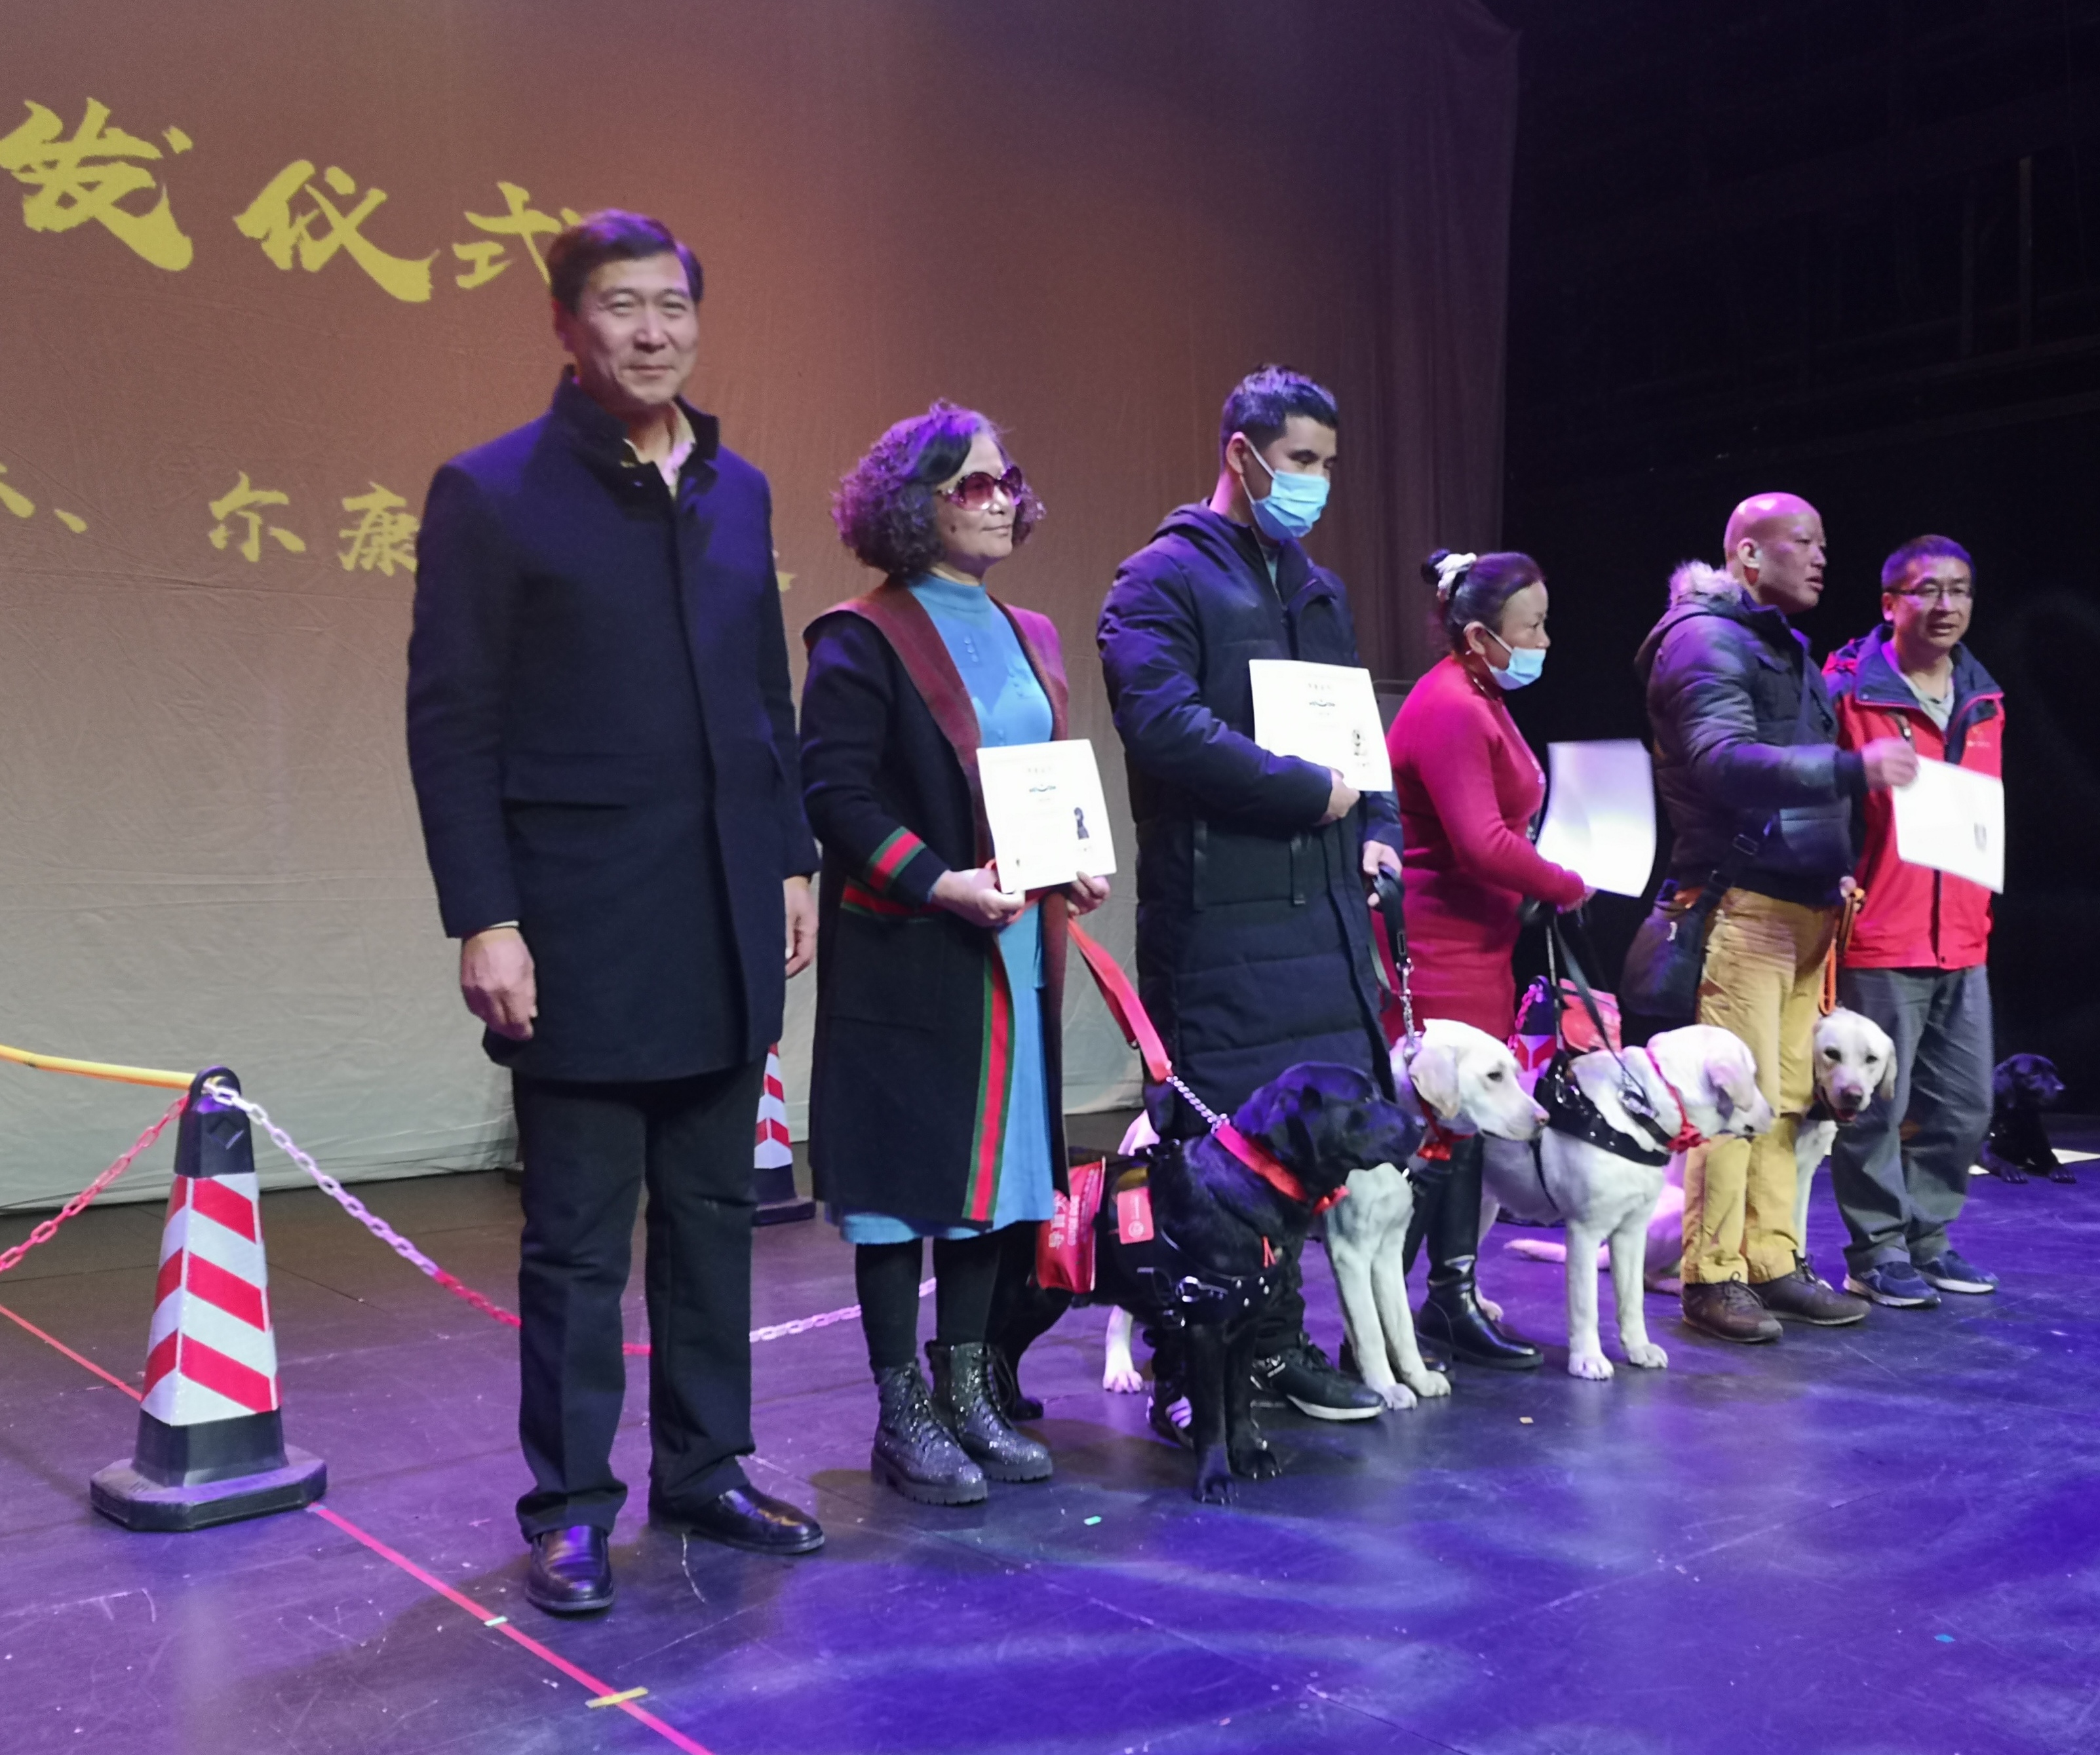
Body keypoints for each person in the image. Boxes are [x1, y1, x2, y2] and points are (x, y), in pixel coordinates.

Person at [406, 212, 823, 1616]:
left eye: (672, 306)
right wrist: (484, 915)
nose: (652, 332)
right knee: (580, 1241)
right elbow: (452, 726)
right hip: (578, 920)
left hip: (722, 907)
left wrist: (789, 858)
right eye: (620, 305)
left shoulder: (738, 491)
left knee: (714, 1215)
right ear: (565, 324)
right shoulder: (492, 491)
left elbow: (764, 696)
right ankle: (571, 1505)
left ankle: (704, 1465)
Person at [800, 402, 1110, 1505]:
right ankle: (903, 1412)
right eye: (973, 483)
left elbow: (1040, 779)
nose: (1000, 499)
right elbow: (835, 793)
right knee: (904, 1186)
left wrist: (1070, 862)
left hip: (1015, 945)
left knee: (1000, 1180)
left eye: (1005, 479)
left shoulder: (1033, 632)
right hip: (915, 944)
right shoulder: (860, 636)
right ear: (911, 505)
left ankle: (969, 1390)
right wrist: (939, 882)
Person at [1097, 364, 1393, 1424]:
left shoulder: (1319, 588)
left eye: (1328, 464)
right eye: (1300, 460)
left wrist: (1379, 829)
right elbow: (1164, 726)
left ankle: (1274, 1347)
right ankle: (1192, 1371)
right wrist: (1305, 791)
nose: (1317, 483)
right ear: (1242, 453)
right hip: (1219, 922)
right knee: (1212, 1156)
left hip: (1323, 917)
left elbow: (1358, 734)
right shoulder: (1158, 579)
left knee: (1300, 1163)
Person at [1634, 492, 1915, 1344]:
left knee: (1787, 1101)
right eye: (1802, 540)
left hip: (1802, 907)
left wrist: (1834, 862)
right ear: (1748, 555)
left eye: (1823, 541)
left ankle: (1770, 1259)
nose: (1821, 555)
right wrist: (1852, 767)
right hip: (1743, 905)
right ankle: (1712, 1274)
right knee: (1731, 1098)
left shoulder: (1776, 643)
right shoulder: (1703, 638)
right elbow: (1721, 760)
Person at [1383, 548, 1592, 1368]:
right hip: (1439, 945)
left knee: (1461, 1132)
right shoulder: (1451, 706)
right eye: (1530, 627)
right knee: (1433, 1133)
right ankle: (1385, 1322)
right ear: (1478, 636)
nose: (1544, 641)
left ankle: (1450, 1296)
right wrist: (1564, 881)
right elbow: (1478, 842)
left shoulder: (1480, 695)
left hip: (1479, 939)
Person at [1823, 536, 2004, 1307]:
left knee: (1962, 1106)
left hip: (1961, 935)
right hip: (1879, 930)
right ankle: (1875, 1252)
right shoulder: (1846, 692)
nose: (1945, 605)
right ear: (1889, 603)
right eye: (1926, 590)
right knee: (1873, 1107)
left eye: (1958, 590)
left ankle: (1928, 1238)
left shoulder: (1983, 697)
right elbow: (1817, 797)